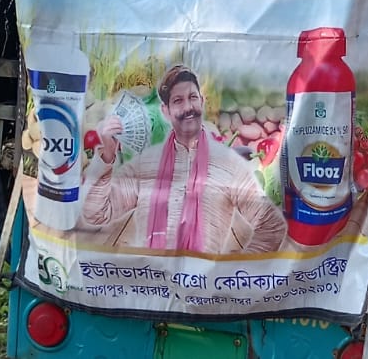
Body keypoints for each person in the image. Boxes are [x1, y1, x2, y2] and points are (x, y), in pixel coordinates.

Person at [82, 65, 287, 252]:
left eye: (193, 98)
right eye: (178, 101)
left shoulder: (228, 164)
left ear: (202, 102)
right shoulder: (145, 164)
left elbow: (271, 227)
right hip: (152, 276)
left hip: (205, 280)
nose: (188, 107)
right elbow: (96, 213)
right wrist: (107, 155)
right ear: (166, 111)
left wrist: (235, 272)